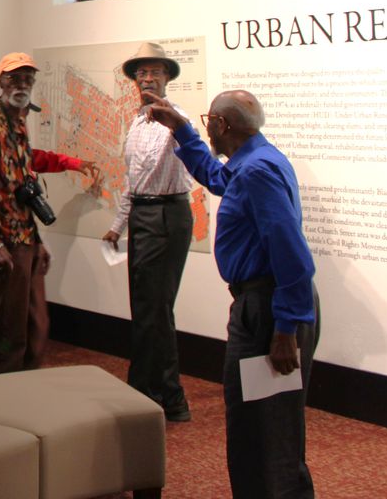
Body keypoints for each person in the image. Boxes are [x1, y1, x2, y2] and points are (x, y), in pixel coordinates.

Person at [142, 89, 319, 498]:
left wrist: (286, 328)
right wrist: (184, 131)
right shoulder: (256, 161)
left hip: (268, 310)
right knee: (264, 426)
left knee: (264, 430)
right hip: (265, 305)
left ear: (222, 125)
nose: (208, 129)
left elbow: (290, 251)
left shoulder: (256, 171)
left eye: (207, 123)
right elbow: (219, 179)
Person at [0, 52, 100, 374]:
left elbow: (28, 164)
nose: (22, 83)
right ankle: (3, 379)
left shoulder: (19, 122)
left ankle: (23, 377)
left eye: (27, 78)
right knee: (10, 321)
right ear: (0, 81)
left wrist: (74, 163)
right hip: (6, 237)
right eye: (14, 77)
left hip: (26, 233)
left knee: (36, 320)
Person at [101, 42, 195, 422]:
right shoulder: (138, 123)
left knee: (154, 310)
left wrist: (169, 119)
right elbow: (134, 180)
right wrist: (117, 225)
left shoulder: (176, 120)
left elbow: (163, 171)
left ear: (168, 77)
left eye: (155, 71)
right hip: (144, 215)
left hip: (167, 216)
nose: (147, 77)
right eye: (141, 72)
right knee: (147, 309)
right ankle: (161, 395)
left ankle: (156, 395)